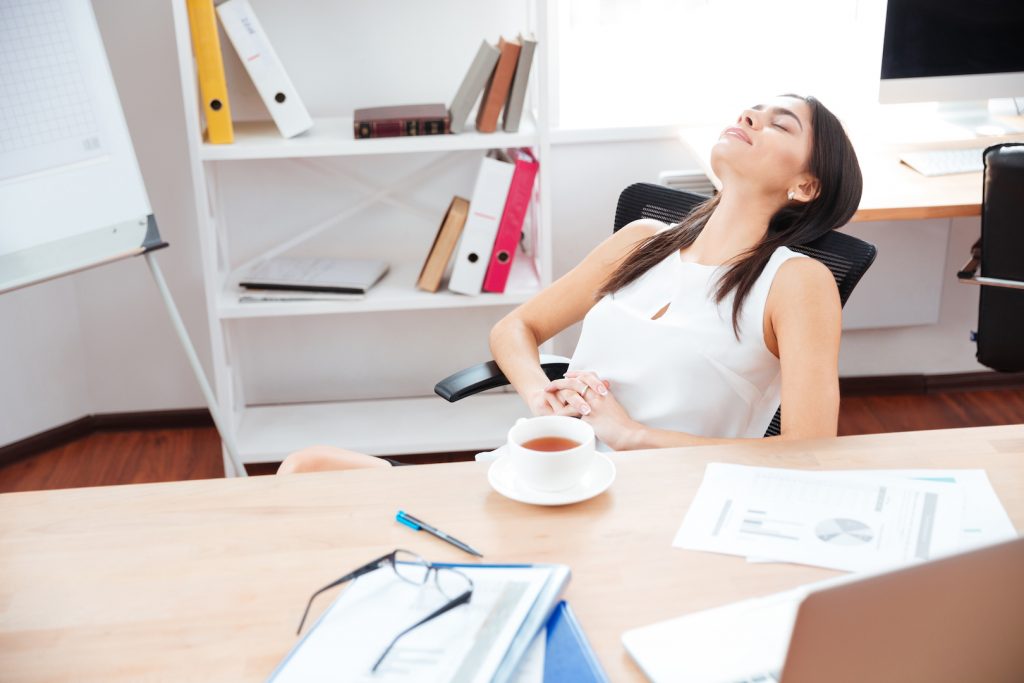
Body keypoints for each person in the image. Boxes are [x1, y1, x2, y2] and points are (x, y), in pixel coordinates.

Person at [278, 93, 863, 473]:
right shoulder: (642, 240)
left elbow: (809, 453)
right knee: (307, 468)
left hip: (645, 504)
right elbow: (518, 327)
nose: (750, 116)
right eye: (750, 109)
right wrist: (539, 394)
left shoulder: (797, 283)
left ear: (806, 186)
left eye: (778, 123)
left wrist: (632, 436)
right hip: (541, 462)